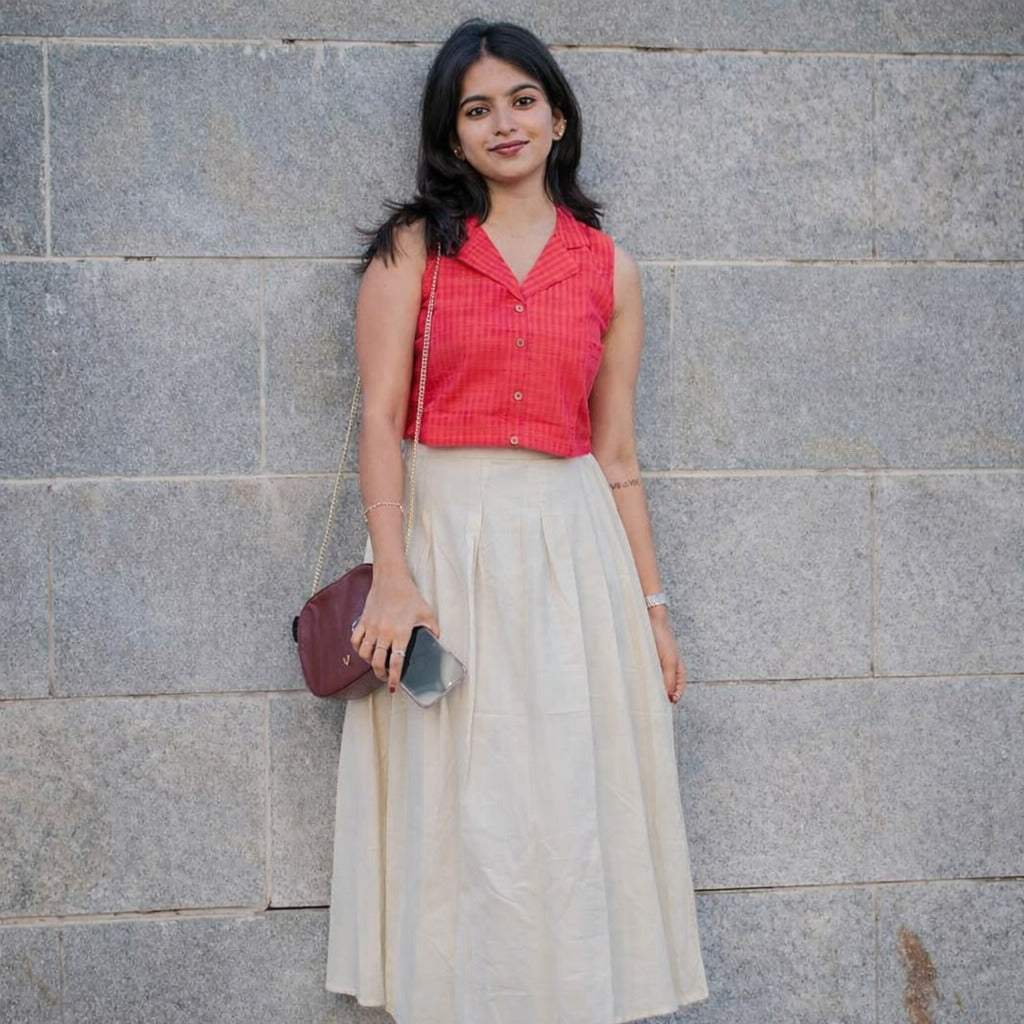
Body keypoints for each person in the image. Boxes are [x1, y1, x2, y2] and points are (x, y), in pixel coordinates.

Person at [325, 19, 708, 1024]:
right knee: (457, 795)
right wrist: (394, 575)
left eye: (522, 101)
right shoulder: (416, 249)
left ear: (558, 117)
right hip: (444, 539)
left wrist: (654, 608)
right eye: (477, 109)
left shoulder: (609, 268)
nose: (504, 123)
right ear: (451, 135)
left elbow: (616, 457)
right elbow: (377, 418)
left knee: (566, 792)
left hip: (572, 553)